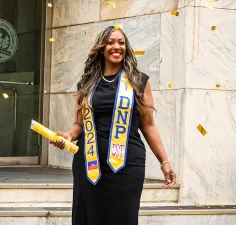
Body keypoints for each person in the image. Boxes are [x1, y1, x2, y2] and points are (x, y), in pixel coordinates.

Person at [50, 25, 176, 225]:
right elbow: (78, 123)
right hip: (89, 163)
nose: (116, 46)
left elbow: (149, 125)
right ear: (101, 48)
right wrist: (68, 136)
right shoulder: (87, 83)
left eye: (121, 42)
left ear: (127, 48)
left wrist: (164, 161)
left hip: (126, 166)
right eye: (110, 42)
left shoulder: (138, 81)